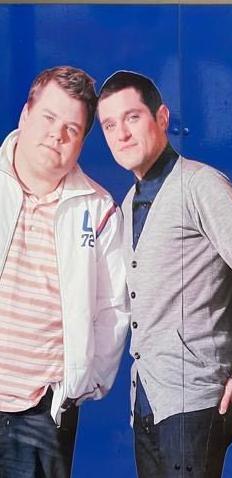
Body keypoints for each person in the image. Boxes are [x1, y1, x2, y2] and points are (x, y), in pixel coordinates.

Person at [96, 70, 232, 477]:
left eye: (132, 117)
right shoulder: (130, 201)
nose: (121, 134)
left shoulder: (201, 185)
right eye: (109, 125)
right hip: (148, 401)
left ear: (161, 118)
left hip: (195, 402)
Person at [0, 66, 128, 477]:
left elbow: (113, 308)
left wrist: (79, 384)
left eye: (71, 129)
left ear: (82, 142)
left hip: (42, 412)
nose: (57, 135)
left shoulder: (99, 209)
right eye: (49, 118)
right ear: (25, 114)